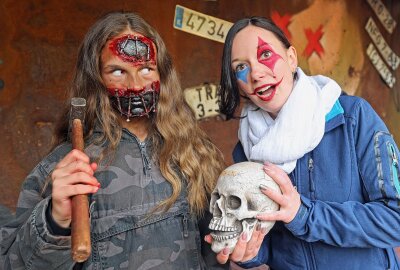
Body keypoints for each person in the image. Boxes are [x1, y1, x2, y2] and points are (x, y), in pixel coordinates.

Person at [0, 11, 227, 270]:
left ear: (161, 74)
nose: (135, 85)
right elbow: (13, 264)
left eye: (145, 69)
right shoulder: (64, 169)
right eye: (118, 71)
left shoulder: (195, 151)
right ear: (95, 78)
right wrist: (54, 220)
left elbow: (217, 254)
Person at [206, 16, 400, 269]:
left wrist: (305, 215)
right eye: (241, 67)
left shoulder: (353, 119)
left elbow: (395, 219)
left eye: (265, 55)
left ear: (291, 58)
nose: (256, 74)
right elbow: (267, 242)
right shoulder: (248, 148)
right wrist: (249, 252)